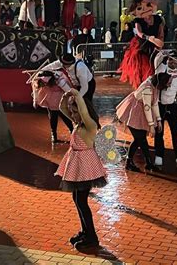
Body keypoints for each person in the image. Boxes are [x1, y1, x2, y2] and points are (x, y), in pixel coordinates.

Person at [56, 89, 106, 250]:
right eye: (73, 112)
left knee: (82, 202)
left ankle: (92, 237)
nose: (74, 115)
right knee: (78, 200)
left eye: (76, 112)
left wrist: (77, 96)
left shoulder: (90, 126)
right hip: (79, 167)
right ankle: (85, 231)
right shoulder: (78, 124)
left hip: (86, 169)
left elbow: (83, 113)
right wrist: (65, 98)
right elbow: (62, 109)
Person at [116, 73, 171, 172]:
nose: (169, 85)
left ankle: (138, 162)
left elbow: (154, 103)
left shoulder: (155, 86)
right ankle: (144, 163)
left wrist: (158, 120)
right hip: (135, 112)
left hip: (141, 111)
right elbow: (147, 107)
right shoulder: (148, 88)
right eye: (168, 83)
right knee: (140, 139)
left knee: (139, 139)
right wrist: (151, 125)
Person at [118, 0, 164, 89]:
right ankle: (142, 90)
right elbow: (139, 32)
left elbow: (161, 32)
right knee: (143, 70)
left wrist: (159, 42)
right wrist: (149, 38)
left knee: (157, 69)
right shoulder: (138, 20)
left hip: (154, 46)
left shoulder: (158, 19)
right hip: (141, 46)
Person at [152, 51, 177, 167]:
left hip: (172, 105)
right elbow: (157, 60)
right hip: (159, 105)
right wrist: (164, 53)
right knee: (159, 131)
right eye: (170, 60)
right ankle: (159, 154)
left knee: (176, 132)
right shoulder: (161, 69)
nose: (172, 62)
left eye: (175, 60)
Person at [31, 61, 74, 144]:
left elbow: (69, 91)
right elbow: (35, 90)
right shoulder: (39, 80)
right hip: (50, 102)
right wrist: (35, 101)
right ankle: (54, 135)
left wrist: (72, 101)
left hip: (61, 102)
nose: (44, 83)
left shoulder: (59, 80)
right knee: (53, 118)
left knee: (66, 117)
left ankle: (73, 133)